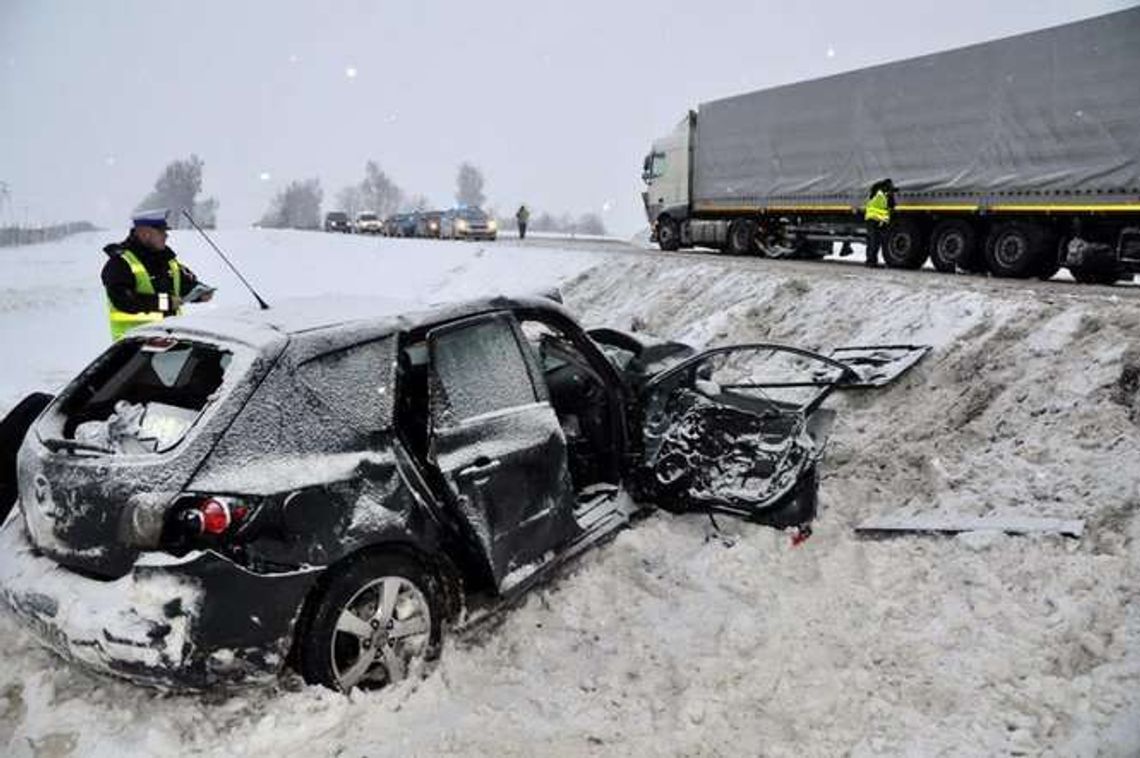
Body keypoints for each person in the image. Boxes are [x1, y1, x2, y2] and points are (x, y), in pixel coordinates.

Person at [101, 208, 213, 341]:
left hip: (170, 339)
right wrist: (165, 302)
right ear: (144, 233)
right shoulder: (120, 263)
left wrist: (199, 293)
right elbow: (125, 301)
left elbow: (185, 284)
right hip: (133, 345)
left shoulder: (167, 259)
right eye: (161, 231)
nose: (166, 235)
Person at [863, 178, 895, 268]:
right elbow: (891, 206)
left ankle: (870, 261)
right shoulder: (883, 195)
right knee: (875, 241)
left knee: (871, 241)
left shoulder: (877, 192)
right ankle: (871, 262)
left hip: (871, 219)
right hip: (876, 220)